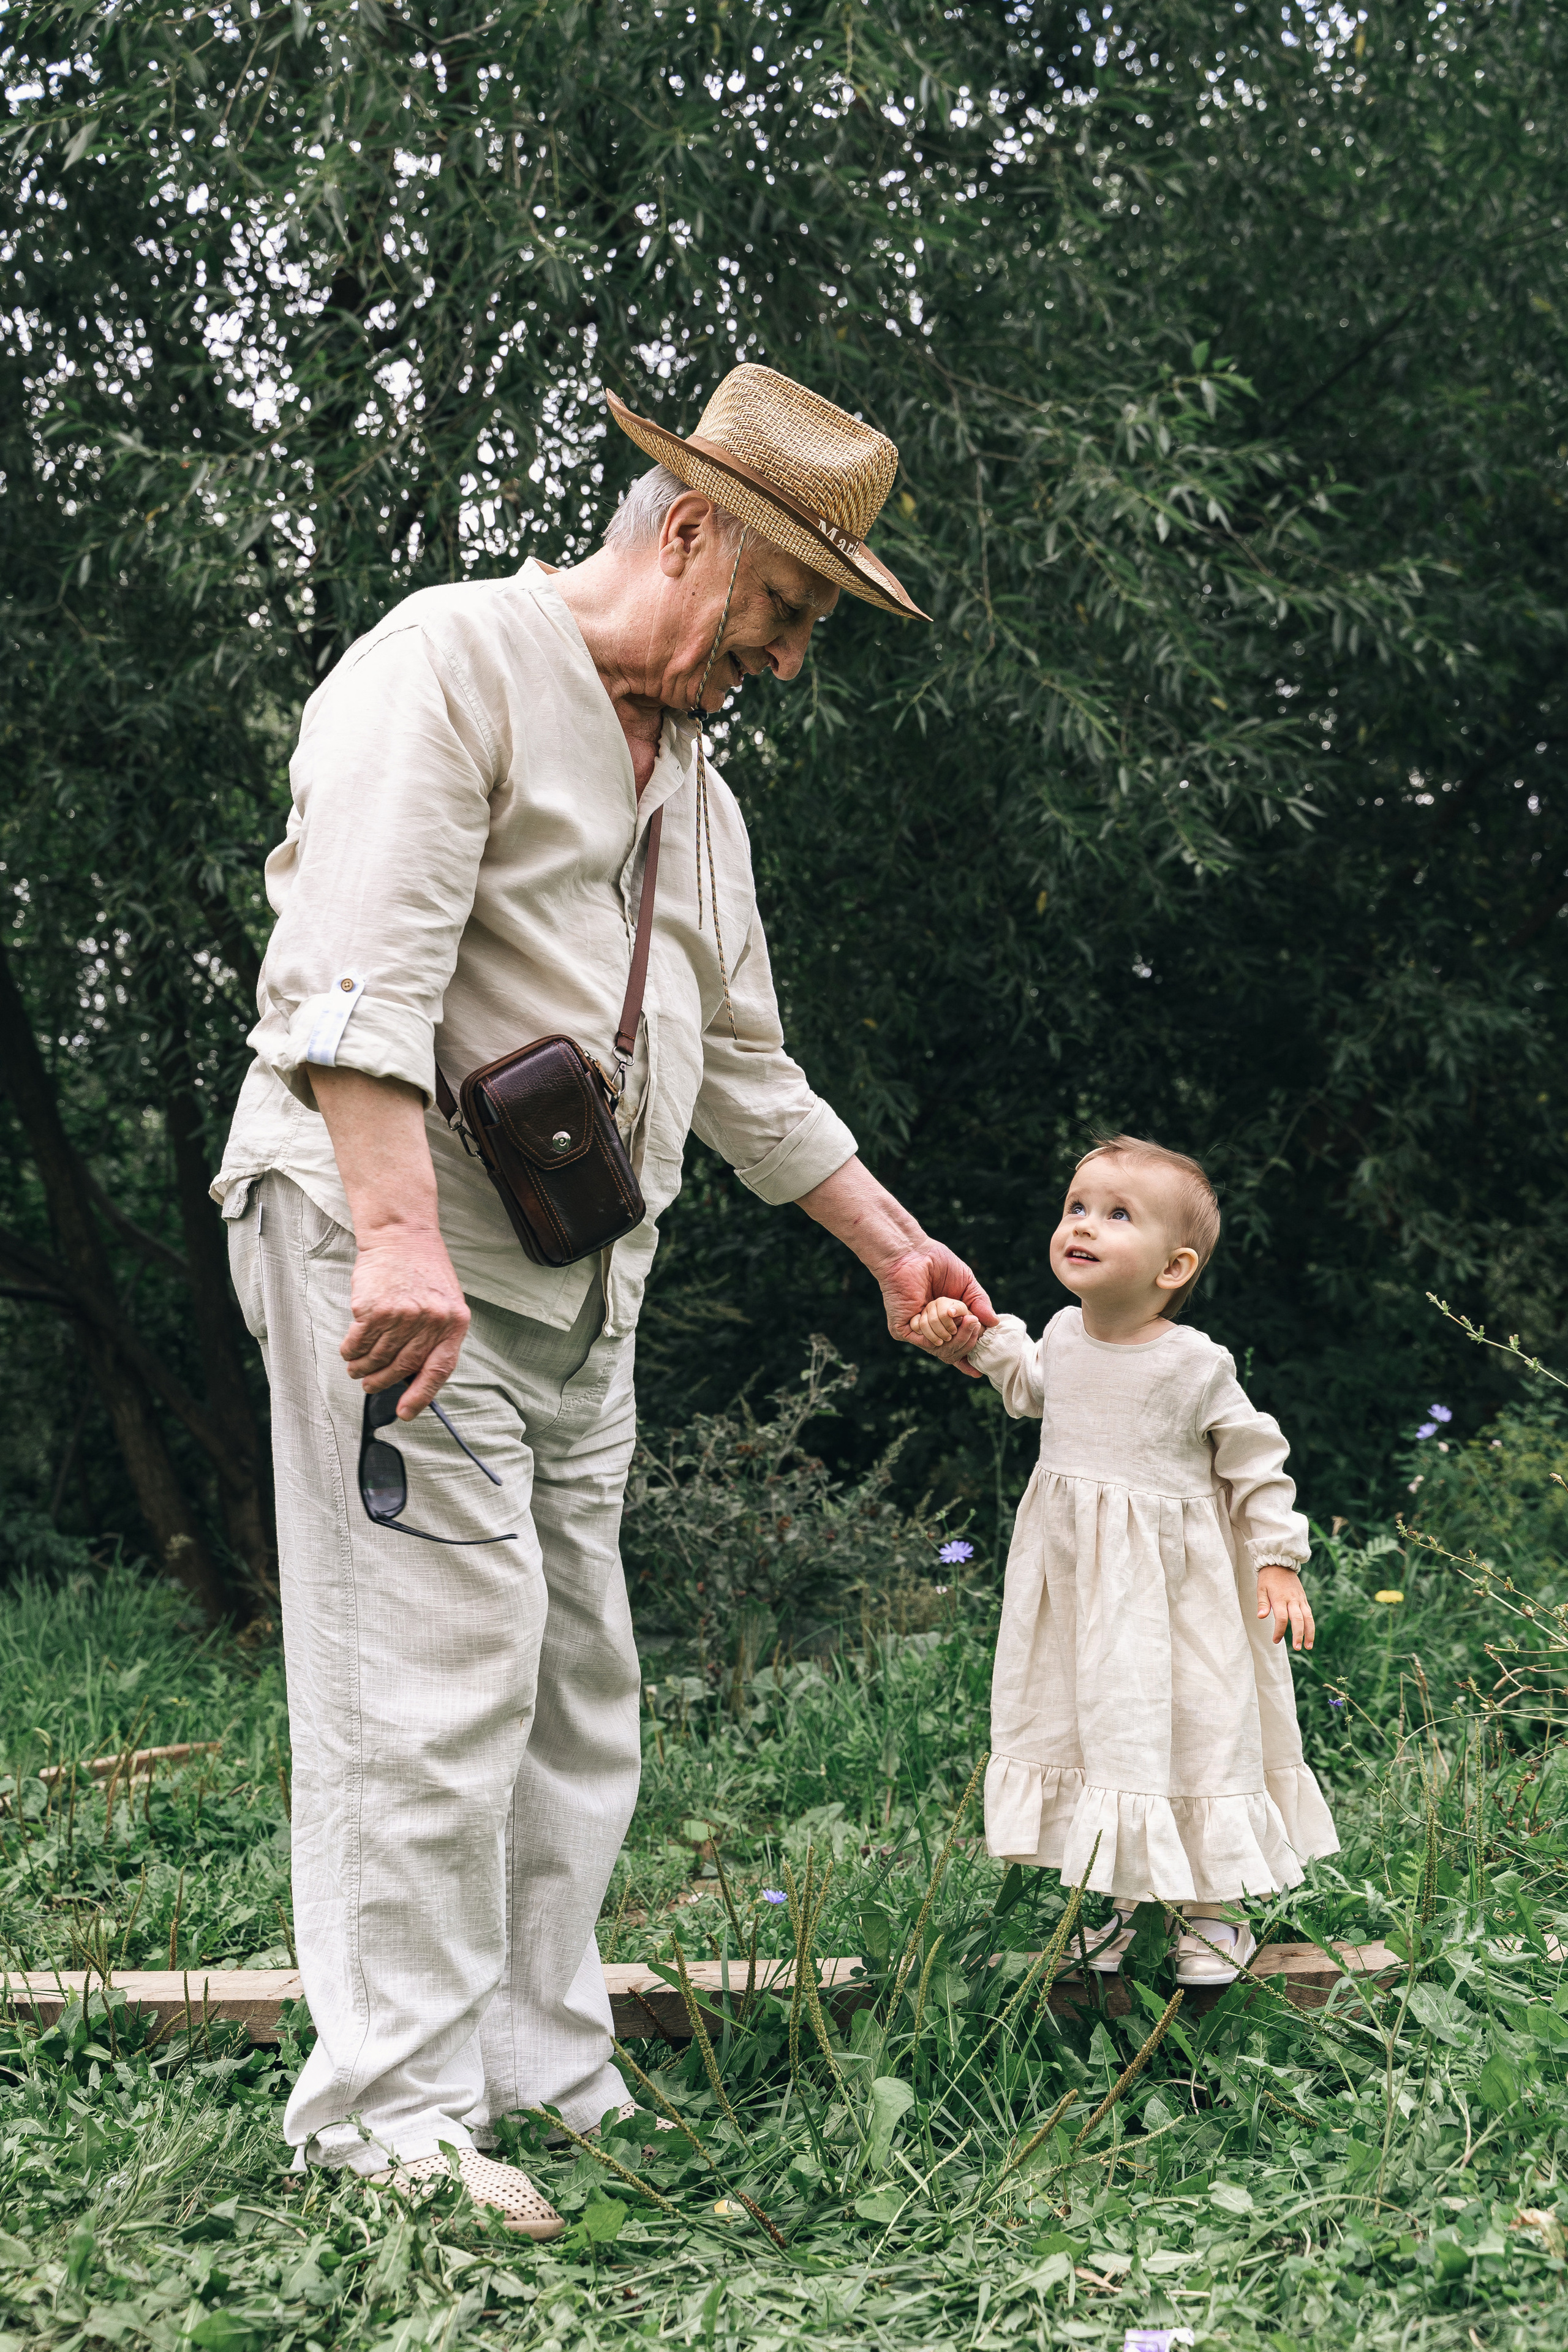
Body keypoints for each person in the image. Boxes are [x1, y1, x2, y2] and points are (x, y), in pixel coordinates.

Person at [214, 364, 993, 2232]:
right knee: (431, 1671)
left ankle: (537, 2065)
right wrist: (399, 1241)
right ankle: (387, 2117)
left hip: (576, 1295)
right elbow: (350, 977)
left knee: (575, 1686)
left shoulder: (701, 794)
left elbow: (747, 1073)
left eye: (812, 629)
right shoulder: (453, 663)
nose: (785, 658)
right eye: (784, 608)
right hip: (392, 1255)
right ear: (691, 530)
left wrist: (894, 1247)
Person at [910, 1132, 1338, 1986]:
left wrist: (1277, 1559)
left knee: (1193, 1729)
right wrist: (967, 1334)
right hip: (1082, 1592)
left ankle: (1214, 1914)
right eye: (1077, 1206)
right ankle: (1126, 1906)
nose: (1083, 1224)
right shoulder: (1064, 1337)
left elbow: (1256, 1460)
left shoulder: (1195, 1363)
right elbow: (1029, 1384)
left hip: (1179, 1599)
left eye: (1116, 1214)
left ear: (1174, 1268)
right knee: (1106, 1728)